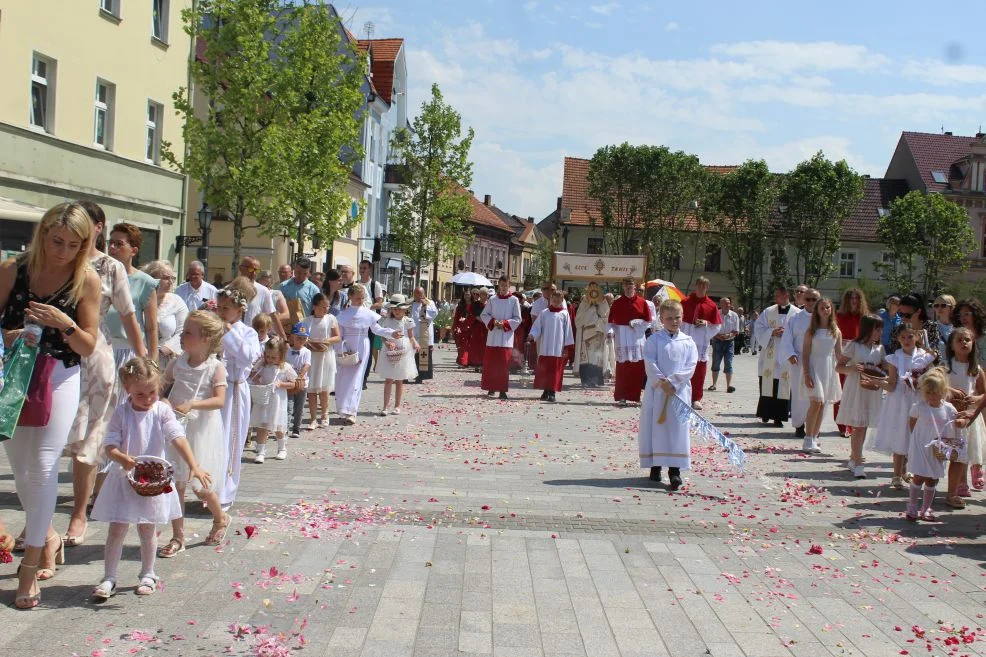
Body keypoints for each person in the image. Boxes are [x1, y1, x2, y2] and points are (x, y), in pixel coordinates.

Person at [0, 202, 101, 609]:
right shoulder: (13, 269)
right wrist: (11, 335)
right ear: (43, 234)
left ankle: (29, 567)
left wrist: (65, 323)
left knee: (42, 466)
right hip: (14, 374)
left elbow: (88, 345)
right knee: (21, 469)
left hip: (59, 373)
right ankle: (50, 537)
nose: (62, 251)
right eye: (56, 241)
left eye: (72, 244)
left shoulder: (86, 279)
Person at [89, 357, 211, 601]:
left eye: (152, 392)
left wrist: (194, 465)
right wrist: (121, 458)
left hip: (153, 479)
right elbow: (110, 444)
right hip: (126, 478)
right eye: (140, 394)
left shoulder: (162, 410)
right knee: (117, 529)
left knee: (148, 529)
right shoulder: (122, 412)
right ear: (128, 391)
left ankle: (148, 572)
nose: (147, 399)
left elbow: (177, 436)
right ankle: (109, 577)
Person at [63, 199, 144, 550]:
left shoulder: (110, 268)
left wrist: (144, 362)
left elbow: (128, 316)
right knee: (49, 441)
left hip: (96, 356)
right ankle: (39, 524)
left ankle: (78, 513)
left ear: (97, 227)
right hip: (56, 353)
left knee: (88, 439)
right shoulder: (56, 261)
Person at [159, 311, 229, 557]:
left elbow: (219, 401)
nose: (182, 336)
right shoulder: (177, 362)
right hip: (177, 429)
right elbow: (161, 387)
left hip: (201, 431)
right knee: (176, 483)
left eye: (188, 332)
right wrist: (163, 402)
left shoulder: (215, 367)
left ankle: (220, 517)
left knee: (200, 487)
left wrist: (193, 404)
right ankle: (178, 536)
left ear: (206, 339)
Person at [638, 299, 698, 491]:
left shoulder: (688, 342)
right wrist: (662, 382)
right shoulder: (654, 340)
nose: (674, 321)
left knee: (677, 430)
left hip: (678, 393)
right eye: (669, 318)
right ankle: (656, 465)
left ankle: (675, 471)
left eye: (677, 317)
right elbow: (649, 361)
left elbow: (691, 365)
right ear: (662, 319)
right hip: (658, 391)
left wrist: (673, 382)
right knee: (656, 427)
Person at [864, 324, 933, 487]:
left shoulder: (924, 356)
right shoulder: (895, 358)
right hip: (900, 401)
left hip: (918, 399)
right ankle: (896, 474)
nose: (907, 340)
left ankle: (907, 470)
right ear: (898, 339)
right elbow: (892, 383)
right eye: (903, 337)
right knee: (900, 434)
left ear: (916, 337)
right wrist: (876, 381)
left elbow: (930, 376)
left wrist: (920, 383)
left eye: (910, 336)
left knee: (915, 434)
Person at [216, 277, 262, 508]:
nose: (222, 312)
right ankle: (210, 488)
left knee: (231, 438)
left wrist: (228, 331)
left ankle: (226, 491)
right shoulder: (213, 326)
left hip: (234, 390)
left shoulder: (248, 333)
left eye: (227, 308)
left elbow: (247, 356)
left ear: (240, 310)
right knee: (213, 439)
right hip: (213, 391)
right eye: (220, 307)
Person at [333, 284, 399, 425]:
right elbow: (339, 335)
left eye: (362, 298)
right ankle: (343, 408)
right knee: (343, 378)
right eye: (357, 298)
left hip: (362, 344)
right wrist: (340, 350)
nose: (360, 301)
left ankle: (352, 411)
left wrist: (391, 333)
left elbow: (376, 329)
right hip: (346, 345)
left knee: (357, 379)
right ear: (350, 297)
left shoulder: (367, 313)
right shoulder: (342, 315)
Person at [105, 222, 159, 377]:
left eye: (119, 244)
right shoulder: (99, 276)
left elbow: (151, 327)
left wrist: (152, 363)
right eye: (111, 243)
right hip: (102, 348)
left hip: (129, 352)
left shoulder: (145, 283)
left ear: (133, 250)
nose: (112, 248)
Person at [835, 314, 886, 479]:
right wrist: (852, 369)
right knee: (858, 425)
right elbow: (839, 367)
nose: (880, 331)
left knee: (863, 425)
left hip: (871, 389)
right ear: (868, 329)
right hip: (856, 388)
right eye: (877, 328)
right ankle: (858, 462)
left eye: (880, 328)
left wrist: (881, 375)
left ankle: (853, 457)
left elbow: (885, 369)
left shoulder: (880, 349)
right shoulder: (854, 346)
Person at [905, 368, 959, 522]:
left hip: (937, 450)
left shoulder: (948, 408)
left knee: (932, 479)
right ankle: (912, 505)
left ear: (943, 391)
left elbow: (955, 423)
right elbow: (912, 423)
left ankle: (926, 508)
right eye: (929, 393)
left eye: (936, 392)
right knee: (918, 477)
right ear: (924, 392)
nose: (933, 396)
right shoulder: (920, 407)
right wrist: (916, 441)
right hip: (921, 447)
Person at [945, 328, 984, 504]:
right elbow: (939, 387)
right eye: (959, 340)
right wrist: (951, 392)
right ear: (952, 346)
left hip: (971, 416)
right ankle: (959, 482)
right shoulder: (947, 368)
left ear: (973, 343)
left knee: (968, 449)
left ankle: (964, 482)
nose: (964, 343)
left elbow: (983, 393)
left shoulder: (976, 369)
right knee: (957, 451)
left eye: (967, 340)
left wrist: (975, 398)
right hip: (952, 415)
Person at [800, 297, 843, 454]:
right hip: (813, 367)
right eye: (823, 308)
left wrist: (851, 364)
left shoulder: (836, 331)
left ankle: (815, 437)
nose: (826, 310)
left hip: (828, 369)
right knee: (816, 403)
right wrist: (806, 373)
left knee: (823, 405)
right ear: (817, 311)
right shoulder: (811, 331)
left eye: (828, 307)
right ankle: (807, 439)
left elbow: (839, 354)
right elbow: (805, 353)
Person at [754, 286, 801, 426]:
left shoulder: (797, 313)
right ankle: (765, 413)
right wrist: (772, 332)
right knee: (768, 383)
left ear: (786, 294)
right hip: (770, 353)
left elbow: (799, 333)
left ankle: (779, 417)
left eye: (778, 295)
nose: (775, 298)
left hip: (786, 354)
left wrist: (787, 334)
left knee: (784, 386)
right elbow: (758, 328)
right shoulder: (768, 312)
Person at [248, 336, 297, 463]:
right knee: (262, 424)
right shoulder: (262, 365)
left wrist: (281, 384)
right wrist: (256, 378)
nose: (270, 360)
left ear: (281, 356)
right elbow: (252, 373)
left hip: (277, 400)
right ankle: (261, 451)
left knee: (278, 425)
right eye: (268, 356)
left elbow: (293, 383)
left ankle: (282, 448)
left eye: (273, 357)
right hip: (263, 398)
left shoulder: (285, 367)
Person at [608, 277, 652, 407]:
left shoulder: (642, 302)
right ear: (623, 287)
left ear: (635, 287)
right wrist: (610, 332)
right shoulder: (617, 303)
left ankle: (634, 396)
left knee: (637, 369)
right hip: (622, 339)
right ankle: (622, 396)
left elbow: (649, 321)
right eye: (626, 285)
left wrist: (637, 322)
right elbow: (611, 322)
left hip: (637, 339)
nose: (628, 287)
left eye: (630, 285)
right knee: (622, 370)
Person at [781, 290, 819, 439]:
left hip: (817, 360)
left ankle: (814, 425)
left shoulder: (823, 318)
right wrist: (790, 353)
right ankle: (799, 424)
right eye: (808, 299)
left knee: (816, 394)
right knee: (799, 394)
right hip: (799, 361)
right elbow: (787, 337)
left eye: (814, 299)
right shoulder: (796, 318)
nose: (811, 302)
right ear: (804, 300)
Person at [302, 293, 340, 428]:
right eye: (323, 307)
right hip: (312, 356)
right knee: (311, 389)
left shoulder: (331, 318)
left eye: (327, 306)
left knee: (325, 388)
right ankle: (313, 418)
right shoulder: (307, 321)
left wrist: (324, 341)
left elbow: (337, 337)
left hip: (326, 355)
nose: (326, 309)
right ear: (315, 306)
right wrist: (309, 342)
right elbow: (301, 337)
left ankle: (325, 414)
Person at [481, 275, 522, 400]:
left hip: (505, 337)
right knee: (492, 364)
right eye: (501, 285)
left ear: (509, 286)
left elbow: (517, 318)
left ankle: (502, 390)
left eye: (505, 285)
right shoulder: (493, 299)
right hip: (493, 336)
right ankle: (491, 388)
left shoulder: (514, 300)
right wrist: (493, 322)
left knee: (503, 365)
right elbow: (484, 314)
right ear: (498, 285)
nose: (503, 288)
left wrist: (504, 323)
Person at [529, 290, 574, 402]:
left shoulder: (564, 314)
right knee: (545, 370)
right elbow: (537, 327)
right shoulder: (544, 313)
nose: (556, 302)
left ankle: (552, 391)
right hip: (545, 346)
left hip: (557, 347)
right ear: (550, 300)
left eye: (558, 301)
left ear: (562, 301)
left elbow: (568, 330)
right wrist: (532, 335)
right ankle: (545, 390)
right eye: (554, 300)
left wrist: (567, 347)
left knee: (554, 370)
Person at [834, 288, 868, 435]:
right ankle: (842, 425)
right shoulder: (838, 316)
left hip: (859, 356)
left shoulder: (865, 317)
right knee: (841, 390)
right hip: (843, 356)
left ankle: (853, 424)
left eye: (856, 298)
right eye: (851, 298)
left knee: (855, 391)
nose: (854, 301)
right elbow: (834, 335)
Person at [377, 294, 418, 414]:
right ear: (391, 309)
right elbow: (383, 336)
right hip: (390, 350)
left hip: (403, 351)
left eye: (399, 309)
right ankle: (385, 406)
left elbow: (411, 336)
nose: (397, 311)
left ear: (404, 309)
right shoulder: (387, 321)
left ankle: (397, 405)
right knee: (388, 379)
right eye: (394, 309)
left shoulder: (408, 321)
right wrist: (387, 343)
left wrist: (415, 343)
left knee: (399, 380)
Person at [142, 260, 187, 367]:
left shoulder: (177, 301)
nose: (171, 282)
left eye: (173, 278)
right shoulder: (140, 300)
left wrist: (162, 351)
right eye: (166, 278)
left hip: (167, 360)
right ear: (152, 278)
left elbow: (183, 331)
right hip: (141, 356)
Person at [573, 282, 611, 387]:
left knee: (597, 358)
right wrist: (589, 307)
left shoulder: (603, 301)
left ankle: (597, 379)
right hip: (586, 334)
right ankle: (586, 379)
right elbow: (579, 319)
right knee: (586, 357)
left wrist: (598, 307)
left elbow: (606, 315)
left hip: (598, 333)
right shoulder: (584, 302)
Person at [240, 257, 284, 339]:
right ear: (241, 268)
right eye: (250, 269)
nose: (253, 273)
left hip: (254, 338)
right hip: (235, 337)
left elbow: (273, 315)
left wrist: (284, 338)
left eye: (256, 270)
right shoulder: (231, 289)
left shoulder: (263, 291)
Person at [285, 323, 312, 441]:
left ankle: (296, 428)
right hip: (289, 383)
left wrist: (300, 377)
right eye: (298, 337)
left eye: (304, 338)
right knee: (288, 406)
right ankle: (285, 428)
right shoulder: (287, 351)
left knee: (299, 407)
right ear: (292, 337)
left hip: (302, 383)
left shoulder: (306, 352)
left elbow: (307, 365)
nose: (301, 340)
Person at [709, 296, 739, 394]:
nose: (727, 305)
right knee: (716, 363)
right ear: (720, 304)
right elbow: (711, 328)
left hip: (729, 342)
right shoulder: (716, 313)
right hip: (717, 341)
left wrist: (729, 335)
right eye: (725, 303)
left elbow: (736, 331)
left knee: (729, 363)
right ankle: (714, 384)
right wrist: (718, 336)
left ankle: (728, 386)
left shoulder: (734, 315)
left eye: (729, 303)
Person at [410, 287, 438, 383]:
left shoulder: (430, 303)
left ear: (424, 294)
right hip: (412, 333)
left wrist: (425, 305)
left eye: (420, 294)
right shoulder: (410, 303)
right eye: (416, 294)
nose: (418, 296)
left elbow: (434, 314)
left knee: (422, 356)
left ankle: (420, 376)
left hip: (424, 333)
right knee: (411, 356)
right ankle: (410, 374)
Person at [952, 298, 986, 364]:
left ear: (976, 314)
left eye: (966, 314)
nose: (963, 318)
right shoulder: (957, 340)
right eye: (960, 315)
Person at [467, 288, 489, 371]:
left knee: (485, 346)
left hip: (487, 328)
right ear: (480, 295)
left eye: (486, 294)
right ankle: (476, 364)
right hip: (478, 327)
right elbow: (475, 315)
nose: (485, 296)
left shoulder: (490, 304)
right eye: (483, 294)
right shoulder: (475, 304)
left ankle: (484, 364)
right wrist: (485, 321)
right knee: (477, 346)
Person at [453, 289, 472, 367]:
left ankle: (463, 361)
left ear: (471, 295)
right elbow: (456, 317)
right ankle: (461, 361)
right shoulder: (460, 305)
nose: (467, 296)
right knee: (460, 345)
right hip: (461, 327)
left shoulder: (473, 305)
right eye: (465, 295)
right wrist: (455, 326)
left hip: (470, 327)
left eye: (468, 294)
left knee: (467, 345)